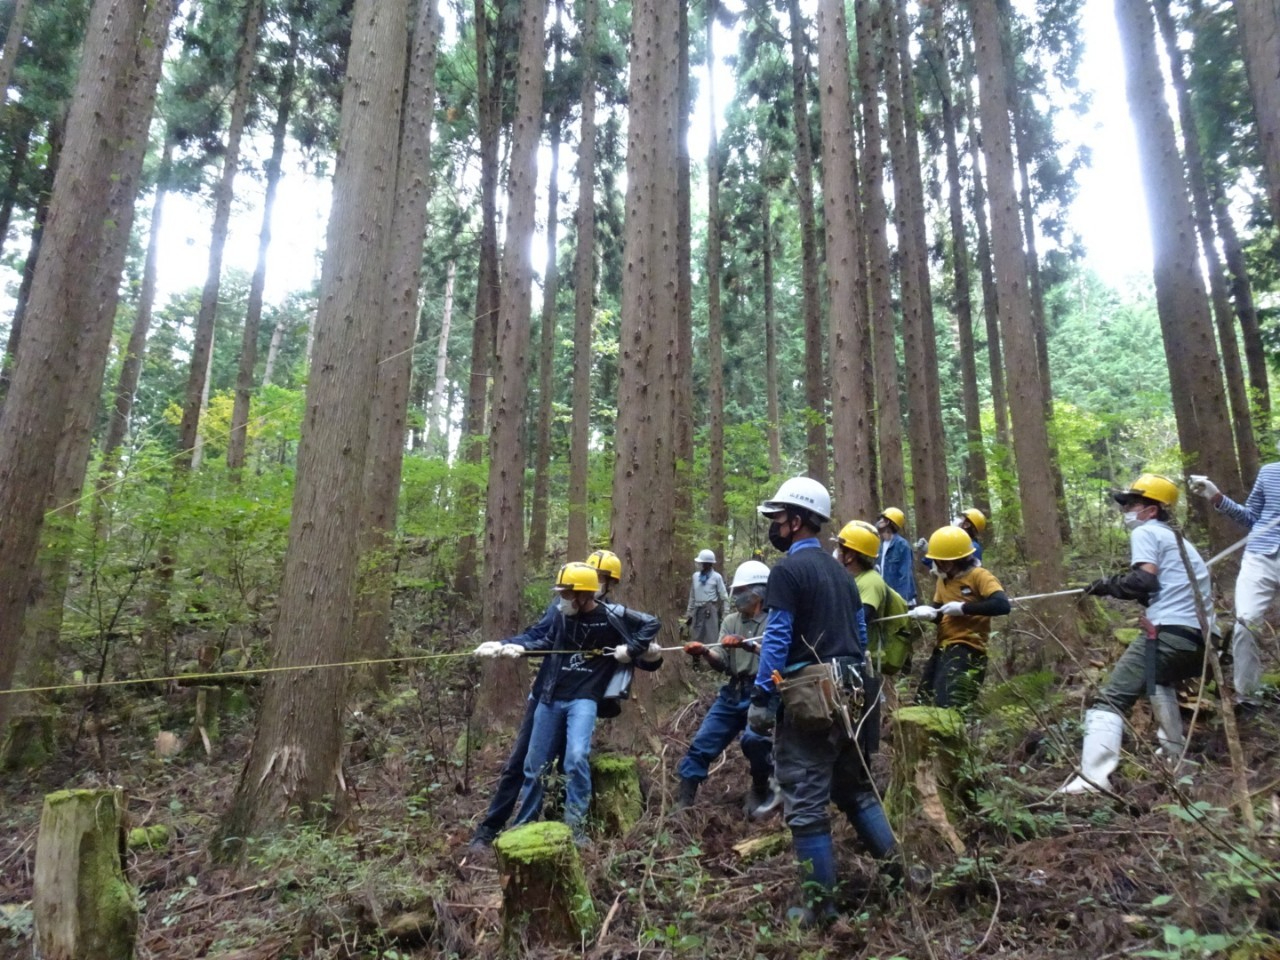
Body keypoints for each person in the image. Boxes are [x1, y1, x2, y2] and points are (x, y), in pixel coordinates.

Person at [748, 476, 898, 926]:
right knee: (855, 790)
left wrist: (761, 694)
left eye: (778, 519)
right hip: (857, 692)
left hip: (812, 698)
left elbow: (776, 637)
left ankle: (820, 907)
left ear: (796, 521)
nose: (774, 526)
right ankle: (898, 875)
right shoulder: (845, 575)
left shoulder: (788, 572)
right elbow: (858, 635)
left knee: (806, 799)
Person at [468, 549, 659, 852]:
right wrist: (506, 646)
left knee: (573, 759)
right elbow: (540, 637)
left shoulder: (612, 617)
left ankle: (569, 826)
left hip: (582, 698)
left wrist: (642, 650)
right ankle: (494, 828)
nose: (596, 582)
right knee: (524, 763)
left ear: (607, 584)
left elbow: (642, 651)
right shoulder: (561, 610)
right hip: (546, 695)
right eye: (592, 576)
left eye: (602, 578)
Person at [1064, 474, 1213, 794]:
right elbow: (1162, 587)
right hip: (1199, 641)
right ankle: (1176, 756)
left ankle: (1093, 778)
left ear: (1153, 510)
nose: (1127, 510)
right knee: (1156, 680)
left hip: (1170, 634)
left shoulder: (1147, 532)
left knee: (1110, 697)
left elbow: (1143, 582)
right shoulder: (1177, 540)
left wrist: (1108, 586)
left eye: (1133, 504)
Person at [676, 559, 779, 817]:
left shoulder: (776, 621)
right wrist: (705, 652)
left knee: (755, 741)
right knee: (703, 741)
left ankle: (761, 787)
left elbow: (779, 656)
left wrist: (749, 646)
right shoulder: (731, 620)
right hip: (733, 692)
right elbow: (721, 662)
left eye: (743, 591)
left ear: (759, 592)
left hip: (763, 692)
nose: (738, 597)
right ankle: (683, 799)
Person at [1190, 467, 1280, 705]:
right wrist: (1215, 496)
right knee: (1246, 621)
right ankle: (1248, 695)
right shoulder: (1270, 472)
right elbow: (1250, 517)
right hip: (1261, 556)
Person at [908, 524, 1011, 708]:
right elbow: (939, 613)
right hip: (943, 647)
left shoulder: (979, 576)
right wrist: (928, 614)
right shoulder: (943, 580)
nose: (936, 564)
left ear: (954, 560)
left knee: (947, 705)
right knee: (921, 702)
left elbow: (1002, 605)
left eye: (940, 561)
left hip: (968, 648)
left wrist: (964, 608)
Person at [834, 521, 912, 679]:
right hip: (857, 659)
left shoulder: (871, 581)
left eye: (839, 548)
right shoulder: (852, 580)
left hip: (870, 664)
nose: (835, 552)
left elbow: (858, 620)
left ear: (850, 556)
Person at [686, 549, 729, 647]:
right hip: (697, 609)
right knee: (696, 635)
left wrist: (726, 612)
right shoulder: (695, 576)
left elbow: (724, 596)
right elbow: (692, 595)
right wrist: (689, 611)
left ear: (709, 564)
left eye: (702, 563)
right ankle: (695, 659)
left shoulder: (717, 577)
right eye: (700, 563)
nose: (700, 565)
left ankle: (712, 657)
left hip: (710, 609)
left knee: (712, 635)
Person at [916, 507, 986, 568]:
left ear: (969, 526)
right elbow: (940, 568)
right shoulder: (956, 544)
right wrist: (931, 550)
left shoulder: (973, 547)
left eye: (963, 520)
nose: (958, 521)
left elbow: (955, 571)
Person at [876, 508, 918, 605]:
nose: (880, 522)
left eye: (884, 520)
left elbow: (905, 575)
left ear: (891, 524)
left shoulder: (902, 545)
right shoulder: (880, 545)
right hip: (885, 597)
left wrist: (902, 601)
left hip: (900, 599)